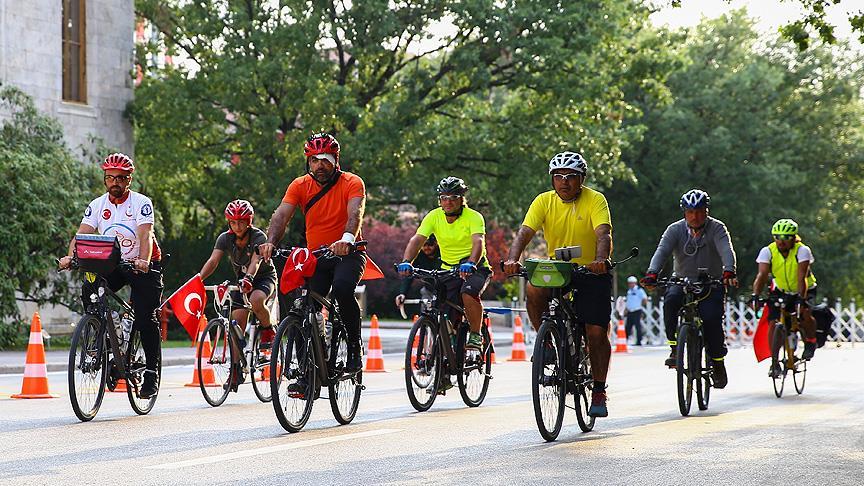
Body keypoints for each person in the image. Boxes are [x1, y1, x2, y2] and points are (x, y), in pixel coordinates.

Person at [503, 151, 614, 418]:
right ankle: (549, 343)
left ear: (582, 179)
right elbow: (524, 233)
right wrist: (511, 259)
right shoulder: (543, 201)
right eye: (558, 177)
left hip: (590, 271)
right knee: (533, 288)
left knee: (596, 332)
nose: (564, 182)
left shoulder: (595, 199)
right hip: (559, 268)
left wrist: (601, 260)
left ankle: (599, 389)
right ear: (552, 180)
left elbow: (603, 233)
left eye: (571, 177)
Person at [58, 153, 164, 399]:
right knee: (90, 291)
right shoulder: (97, 205)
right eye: (110, 178)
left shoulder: (141, 202)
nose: (115, 182)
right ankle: (104, 339)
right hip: (112, 263)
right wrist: (70, 257)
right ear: (105, 179)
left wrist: (144, 262)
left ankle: (150, 373)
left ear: (129, 180)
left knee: (146, 318)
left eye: (120, 178)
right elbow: (81, 234)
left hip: (143, 264)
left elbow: (145, 235)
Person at [259, 132, 367, 372]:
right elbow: (281, 215)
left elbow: (355, 214)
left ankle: (353, 346)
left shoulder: (352, 182)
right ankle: (307, 369)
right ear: (308, 161)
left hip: (347, 253)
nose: (320, 164)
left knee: (341, 288)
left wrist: (347, 239)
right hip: (316, 256)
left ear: (336, 160)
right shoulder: (299, 185)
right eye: (315, 159)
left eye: (326, 159)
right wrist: (270, 242)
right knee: (302, 305)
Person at [641, 189, 737, 389]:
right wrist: (652, 273)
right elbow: (662, 251)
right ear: (684, 212)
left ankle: (718, 363)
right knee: (670, 302)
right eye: (691, 211)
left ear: (707, 211)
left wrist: (729, 271)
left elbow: (726, 249)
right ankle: (675, 348)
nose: (695, 216)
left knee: (711, 319)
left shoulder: (717, 228)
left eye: (700, 211)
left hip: (711, 282)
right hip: (681, 280)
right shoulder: (674, 230)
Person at [398, 177, 491, 351]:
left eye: (454, 197)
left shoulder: (474, 217)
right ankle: (447, 348)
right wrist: (406, 262)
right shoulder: (433, 216)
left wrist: (471, 263)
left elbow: (478, 242)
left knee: (468, 293)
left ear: (462, 198)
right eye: (444, 197)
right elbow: (417, 239)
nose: (448, 201)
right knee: (439, 303)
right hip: (447, 269)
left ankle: (476, 334)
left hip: (475, 267)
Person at [199, 200, 277, 390]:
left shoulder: (258, 236)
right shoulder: (225, 238)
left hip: (263, 278)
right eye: (233, 222)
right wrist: (198, 279)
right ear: (228, 223)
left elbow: (256, 261)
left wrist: (249, 278)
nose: (237, 226)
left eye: (241, 221)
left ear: (249, 221)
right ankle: (235, 370)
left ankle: (268, 330)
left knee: (256, 300)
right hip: (242, 281)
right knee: (235, 323)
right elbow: (213, 260)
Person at [752, 218, 819, 368]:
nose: (781, 241)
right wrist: (755, 296)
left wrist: (801, 300)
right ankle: (774, 362)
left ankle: (811, 342)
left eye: (786, 238)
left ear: (794, 238)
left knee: (805, 313)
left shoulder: (802, 251)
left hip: (805, 288)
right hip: (781, 290)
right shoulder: (767, 251)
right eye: (777, 237)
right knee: (773, 322)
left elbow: (802, 277)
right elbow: (761, 276)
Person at [395, 235, 441, 309]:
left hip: (446, 287)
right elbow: (409, 275)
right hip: (429, 289)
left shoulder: (443, 253)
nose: (427, 248)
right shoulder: (419, 255)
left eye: (430, 245)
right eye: (424, 245)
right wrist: (403, 293)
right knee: (425, 311)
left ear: (436, 243)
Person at [624, 276, 648, 345]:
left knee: (638, 326)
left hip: (637, 310)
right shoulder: (629, 291)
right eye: (629, 283)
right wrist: (626, 309)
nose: (630, 284)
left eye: (631, 283)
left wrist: (640, 305)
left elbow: (645, 299)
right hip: (630, 311)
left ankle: (639, 341)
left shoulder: (639, 290)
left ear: (635, 283)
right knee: (628, 326)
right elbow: (628, 301)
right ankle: (624, 340)